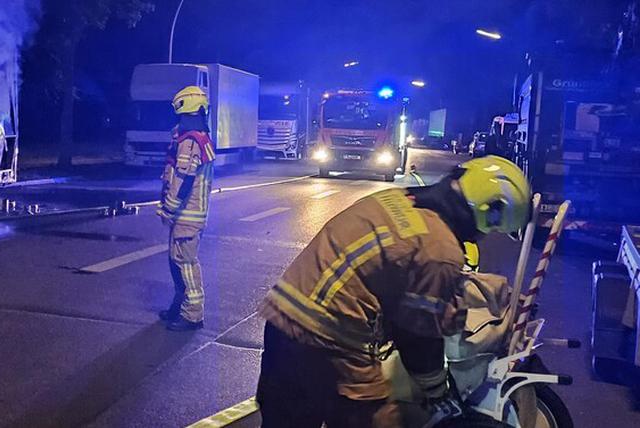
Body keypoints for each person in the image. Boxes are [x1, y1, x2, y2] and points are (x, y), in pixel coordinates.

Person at [255, 156, 531, 427]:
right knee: (381, 420)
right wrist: (439, 393)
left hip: (283, 318)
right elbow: (418, 339)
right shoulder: (440, 250)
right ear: (490, 213)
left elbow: (385, 280)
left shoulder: (398, 200)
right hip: (328, 342)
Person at [156, 86, 216, 332]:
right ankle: (178, 306)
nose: (178, 119)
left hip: (186, 215)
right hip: (188, 214)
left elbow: (183, 179)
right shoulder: (196, 139)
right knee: (177, 260)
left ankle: (192, 315)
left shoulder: (190, 142)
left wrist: (168, 208)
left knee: (186, 264)